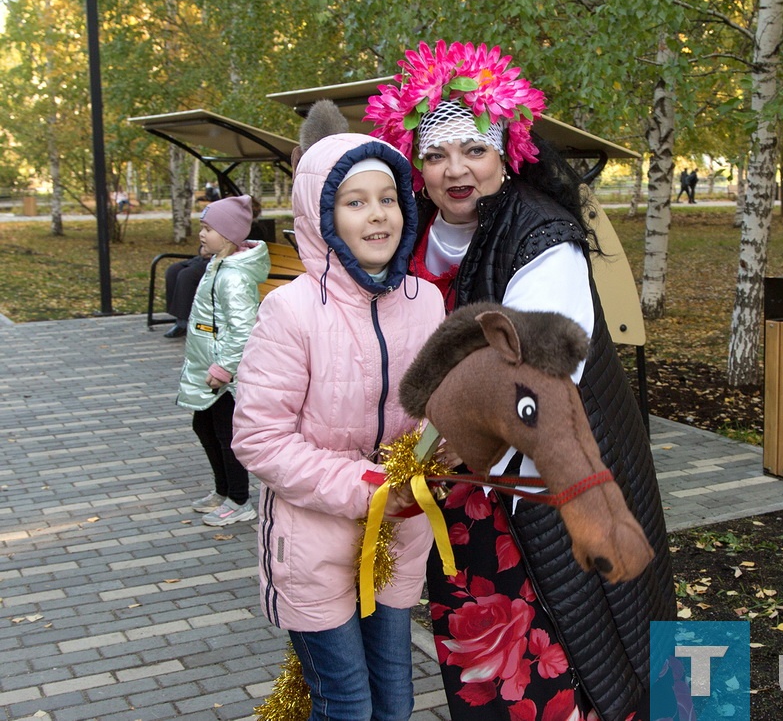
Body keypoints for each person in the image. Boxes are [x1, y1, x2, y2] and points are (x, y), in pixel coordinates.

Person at [367, 40, 676, 721]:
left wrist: (416, 461)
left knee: (579, 646)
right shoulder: (406, 235)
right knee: (485, 659)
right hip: (462, 493)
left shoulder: (542, 237)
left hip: (545, 478)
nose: (456, 171)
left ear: (509, 151)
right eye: (437, 153)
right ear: (414, 160)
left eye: (474, 150)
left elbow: (537, 378)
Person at [231, 100, 445, 721]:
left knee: (396, 702)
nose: (377, 214)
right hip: (313, 540)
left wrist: (445, 442)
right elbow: (260, 439)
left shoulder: (425, 302)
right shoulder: (291, 311)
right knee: (346, 705)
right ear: (322, 216)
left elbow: (435, 410)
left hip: (397, 540)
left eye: (388, 198)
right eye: (355, 201)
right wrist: (371, 487)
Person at [176, 194, 270, 527]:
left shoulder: (233, 277)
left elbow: (243, 330)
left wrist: (224, 369)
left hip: (222, 374)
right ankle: (222, 490)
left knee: (226, 434)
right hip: (207, 364)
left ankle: (240, 499)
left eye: (208, 229)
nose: (202, 234)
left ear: (228, 236)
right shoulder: (218, 265)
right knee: (203, 426)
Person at [162, 245, 211, 338]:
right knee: (173, 270)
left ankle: (183, 323)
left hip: (223, 259)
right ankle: (178, 316)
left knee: (186, 275)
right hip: (204, 258)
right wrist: (202, 249)